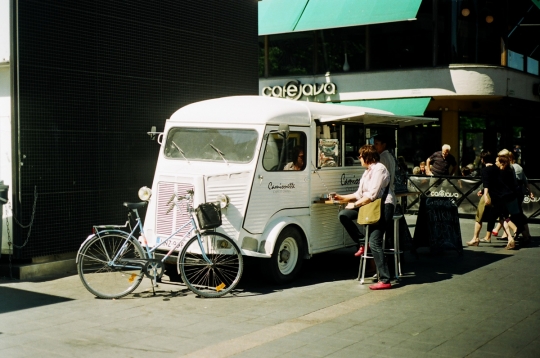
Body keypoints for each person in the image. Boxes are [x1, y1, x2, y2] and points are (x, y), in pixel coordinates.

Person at [335, 145, 394, 290]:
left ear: (367, 156)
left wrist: (354, 205)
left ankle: (385, 279)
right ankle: (362, 242)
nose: (359, 158)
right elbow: (359, 194)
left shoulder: (379, 169)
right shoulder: (367, 172)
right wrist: (341, 198)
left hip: (382, 206)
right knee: (344, 215)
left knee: (375, 241)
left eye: (360, 156)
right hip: (369, 206)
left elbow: (372, 195)